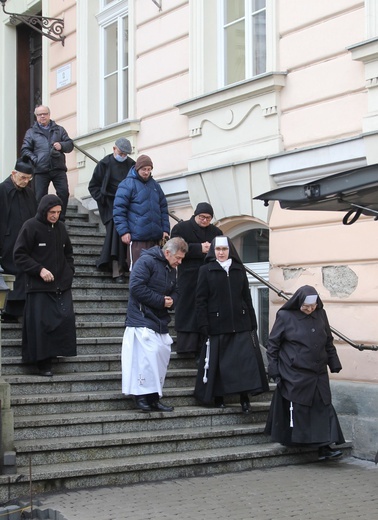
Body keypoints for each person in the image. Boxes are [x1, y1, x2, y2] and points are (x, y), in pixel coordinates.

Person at [264, 285, 345, 460]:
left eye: (313, 306)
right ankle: (297, 440)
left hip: (318, 371)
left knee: (324, 406)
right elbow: (273, 345)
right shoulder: (285, 316)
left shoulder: (321, 314)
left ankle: (325, 447)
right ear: (298, 303)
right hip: (295, 371)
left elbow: (328, 340)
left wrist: (334, 363)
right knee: (299, 406)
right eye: (306, 307)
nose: (309, 310)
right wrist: (274, 369)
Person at [194, 236, 269, 412]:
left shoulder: (238, 269)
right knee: (219, 364)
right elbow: (200, 300)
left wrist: (252, 320)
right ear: (213, 250)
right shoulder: (206, 270)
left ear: (230, 251)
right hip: (217, 324)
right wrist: (203, 324)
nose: (221, 253)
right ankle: (218, 397)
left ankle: (245, 398)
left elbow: (246, 297)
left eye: (224, 249)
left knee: (243, 363)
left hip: (241, 323)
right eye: (218, 249)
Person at [121, 237, 188, 412]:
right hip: (141, 318)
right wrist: (161, 301)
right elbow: (136, 287)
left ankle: (154, 398)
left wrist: (171, 301)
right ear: (167, 253)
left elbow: (177, 291)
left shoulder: (171, 268)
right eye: (178, 258)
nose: (179, 262)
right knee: (145, 360)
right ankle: (141, 397)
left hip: (158, 319)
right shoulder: (145, 262)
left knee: (159, 359)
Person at [13, 194, 77, 376]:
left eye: (58, 212)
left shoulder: (61, 229)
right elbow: (19, 255)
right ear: (43, 210)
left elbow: (68, 254)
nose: (55, 216)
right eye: (52, 212)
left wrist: (69, 272)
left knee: (64, 320)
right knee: (41, 325)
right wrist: (39, 270)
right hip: (38, 286)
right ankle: (43, 362)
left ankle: (56, 354)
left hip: (61, 285)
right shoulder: (30, 227)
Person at [170, 202, 223, 356]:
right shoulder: (181, 228)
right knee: (187, 309)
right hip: (188, 275)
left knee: (205, 309)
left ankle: (203, 346)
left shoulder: (216, 231)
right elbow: (176, 247)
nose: (205, 220)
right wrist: (199, 248)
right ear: (195, 215)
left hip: (209, 275)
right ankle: (186, 347)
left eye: (208, 218)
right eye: (202, 217)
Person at [88, 138, 135, 282]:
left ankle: (127, 267)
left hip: (128, 205)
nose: (123, 156)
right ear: (114, 149)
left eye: (125, 154)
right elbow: (93, 186)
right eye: (121, 152)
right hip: (110, 204)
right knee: (115, 235)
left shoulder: (132, 164)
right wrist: (103, 200)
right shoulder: (104, 164)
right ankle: (117, 271)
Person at [113, 154, 170, 270]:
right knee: (138, 271)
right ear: (137, 168)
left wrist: (165, 229)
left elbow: (163, 208)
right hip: (137, 238)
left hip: (155, 239)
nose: (146, 172)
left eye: (149, 169)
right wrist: (124, 231)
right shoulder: (127, 184)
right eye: (144, 169)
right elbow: (119, 210)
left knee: (155, 271)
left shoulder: (155, 186)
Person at [0, 157, 37, 323]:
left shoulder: (29, 193)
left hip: (25, 241)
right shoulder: (2, 190)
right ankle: (10, 310)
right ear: (13, 173)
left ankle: (18, 310)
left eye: (29, 179)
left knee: (24, 274)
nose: (26, 181)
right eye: (23, 177)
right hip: (7, 242)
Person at [21, 105, 74, 220]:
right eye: (40, 114)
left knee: (64, 193)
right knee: (39, 197)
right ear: (36, 117)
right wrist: (35, 160)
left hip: (58, 168)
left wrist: (62, 145)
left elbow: (70, 145)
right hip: (40, 169)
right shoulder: (31, 132)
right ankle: (41, 220)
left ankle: (61, 220)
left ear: (49, 115)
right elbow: (25, 150)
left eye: (45, 114)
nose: (42, 116)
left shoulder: (59, 130)